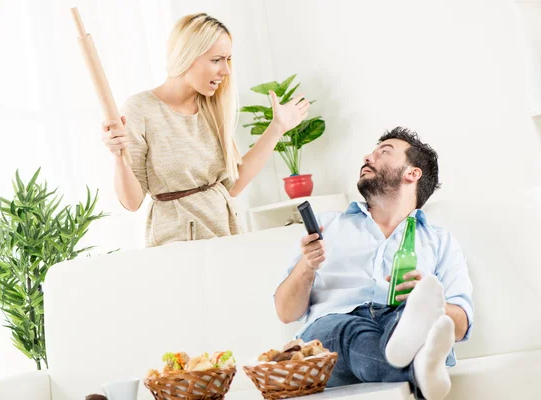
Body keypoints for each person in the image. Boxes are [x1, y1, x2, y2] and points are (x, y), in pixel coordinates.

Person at [274, 127, 474, 400]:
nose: (368, 156)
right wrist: (306, 266)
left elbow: (460, 324)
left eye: (384, 152)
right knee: (348, 331)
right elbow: (286, 312)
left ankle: (413, 350)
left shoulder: (440, 241)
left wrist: (429, 304)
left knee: (405, 319)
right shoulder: (328, 226)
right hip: (333, 329)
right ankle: (419, 370)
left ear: (412, 173)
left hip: (397, 321)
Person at [101, 13, 310, 247]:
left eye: (228, 60)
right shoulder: (141, 109)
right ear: (187, 56)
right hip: (176, 245)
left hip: (225, 236)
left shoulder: (212, 108)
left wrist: (277, 128)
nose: (226, 71)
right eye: (216, 60)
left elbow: (233, 185)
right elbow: (131, 202)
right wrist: (119, 156)